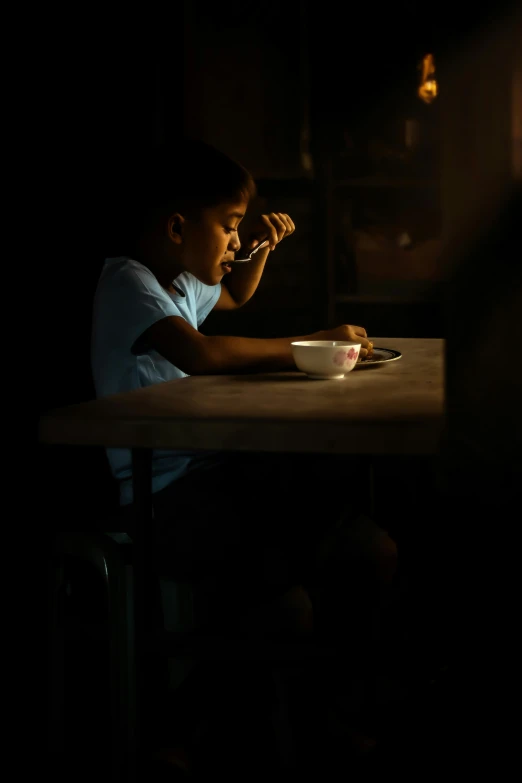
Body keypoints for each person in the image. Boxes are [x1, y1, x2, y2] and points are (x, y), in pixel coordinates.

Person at [91, 137, 399, 767]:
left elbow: (230, 297)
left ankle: (318, 707)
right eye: (229, 227)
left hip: (207, 479)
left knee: (352, 547)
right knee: (305, 581)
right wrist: (312, 346)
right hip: (163, 500)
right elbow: (201, 354)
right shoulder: (127, 282)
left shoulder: (175, 281)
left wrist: (255, 253)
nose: (235, 243)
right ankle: (198, 727)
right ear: (179, 227)